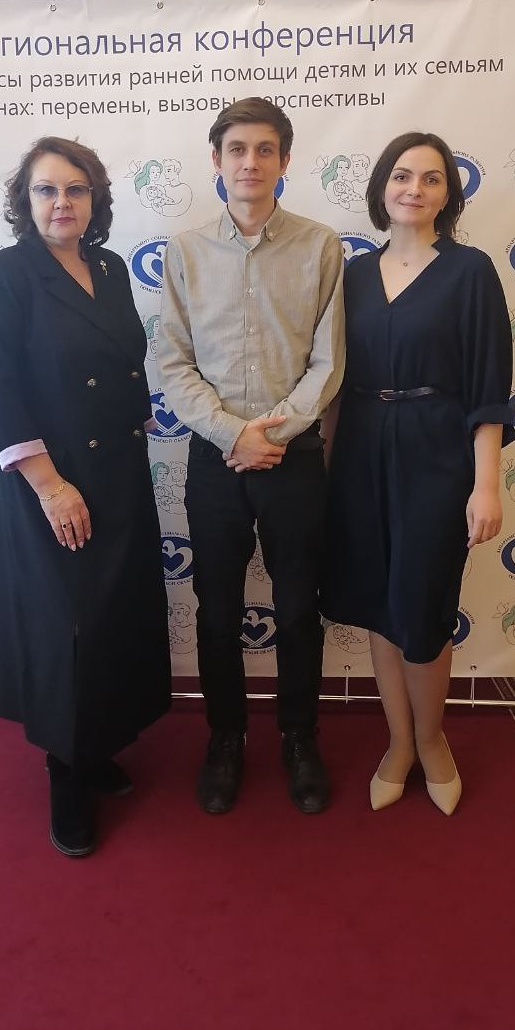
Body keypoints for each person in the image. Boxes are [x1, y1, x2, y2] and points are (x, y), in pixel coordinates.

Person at [0, 136, 171, 858]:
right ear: (25, 201)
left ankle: (99, 744)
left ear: (95, 199)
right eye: (47, 190)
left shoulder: (110, 269)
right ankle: (65, 770)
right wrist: (51, 486)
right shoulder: (5, 275)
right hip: (49, 481)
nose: (62, 203)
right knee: (66, 626)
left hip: (118, 471)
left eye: (76, 190)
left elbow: (124, 366)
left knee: (114, 616)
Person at [158, 97, 345, 816]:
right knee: (217, 611)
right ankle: (225, 738)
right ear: (216, 160)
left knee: (298, 608)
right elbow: (172, 361)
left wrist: (275, 432)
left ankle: (299, 737)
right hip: (216, 457)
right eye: (237, 149)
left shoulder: (321, 246)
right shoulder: (185, 251)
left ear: (285, 160)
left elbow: (329, 360)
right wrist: (231, 434)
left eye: (265, 150)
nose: (250, 163)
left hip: (293, 458)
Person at [321, 132, 514, 816]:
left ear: (448, 195)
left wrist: (485, 484)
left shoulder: (470, 272)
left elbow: (489, 387)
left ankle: (433, 741)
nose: (414, 188)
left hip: (437, 454)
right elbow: (333, 382)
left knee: (423, 605)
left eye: (432, 179)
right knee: (380, 602)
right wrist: (326, 471)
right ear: (381, 187)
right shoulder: (351, 275)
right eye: (402, 175)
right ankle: (398, 742)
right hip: (360, 451)